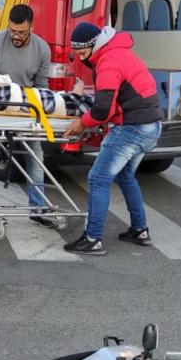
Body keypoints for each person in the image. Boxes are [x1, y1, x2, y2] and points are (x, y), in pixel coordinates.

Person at [62, 22, 163, 256]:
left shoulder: (108, 61)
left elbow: (102, 111)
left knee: (98, 178)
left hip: (133, 128)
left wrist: (81, 123)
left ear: (93, 45)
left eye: (82, 53)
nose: (80, 57)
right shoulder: (119, 53)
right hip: (151, 126)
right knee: (125, 175)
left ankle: (92, 238)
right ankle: (140, 230)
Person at [0, 4, 53, 230]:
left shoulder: (42, 49)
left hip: (26, 109)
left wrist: (30, 109)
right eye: (12, 31)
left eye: (22, 33)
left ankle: (38, 209)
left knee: (36, 158)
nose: (16, 36)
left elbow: (41, 87)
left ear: (31, 28)